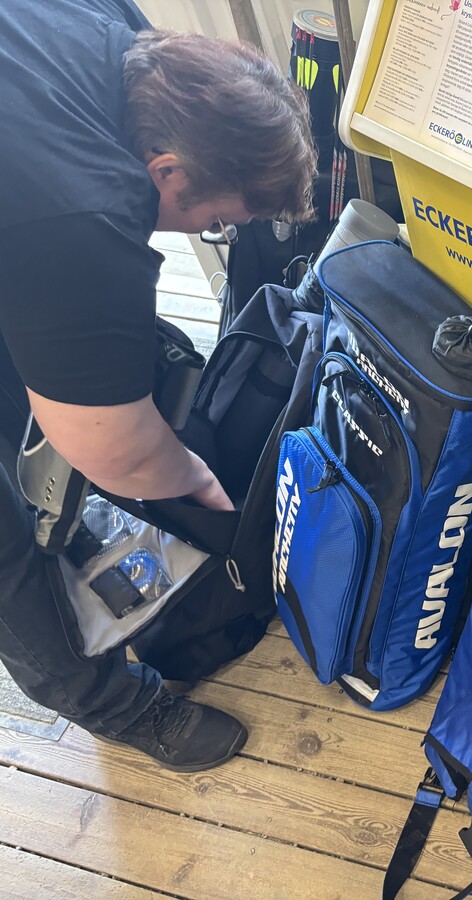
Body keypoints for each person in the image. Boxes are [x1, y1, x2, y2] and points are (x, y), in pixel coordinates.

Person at [0, 0, 316, 772]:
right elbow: (118, 452)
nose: (213, 234)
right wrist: (208, 489)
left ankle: (66, 532)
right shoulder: (86, 212)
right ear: (167, 171)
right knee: (7, 555)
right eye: (214, 223)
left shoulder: (116, 35)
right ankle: (117, 705)